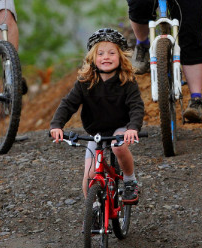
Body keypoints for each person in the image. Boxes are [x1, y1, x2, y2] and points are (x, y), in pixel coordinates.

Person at [50, 28, 144, 204]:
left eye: (111, 53)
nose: (105, 57)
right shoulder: (85, 82)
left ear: (121, 57)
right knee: (90, 176)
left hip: (121, 127)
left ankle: (130, 180)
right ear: (93, 58)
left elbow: (136, 107)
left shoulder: (127, 82)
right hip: (96, 132)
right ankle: (92, 210)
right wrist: (57, 125)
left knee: (118, 146)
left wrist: (132, 128)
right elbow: (68, 104)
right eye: (100, 53)